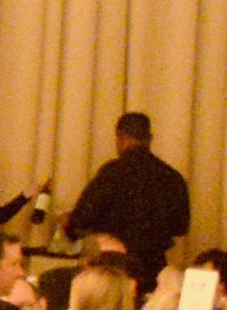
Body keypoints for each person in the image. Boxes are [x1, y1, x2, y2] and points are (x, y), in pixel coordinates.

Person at [60, 110, 192, 281]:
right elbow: (181, 227)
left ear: (121, 138)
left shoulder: (111, 172)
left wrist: (67, 223)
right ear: (150, 138)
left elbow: (82, 218)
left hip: (115, 267)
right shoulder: (172, 177)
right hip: (154, 268)